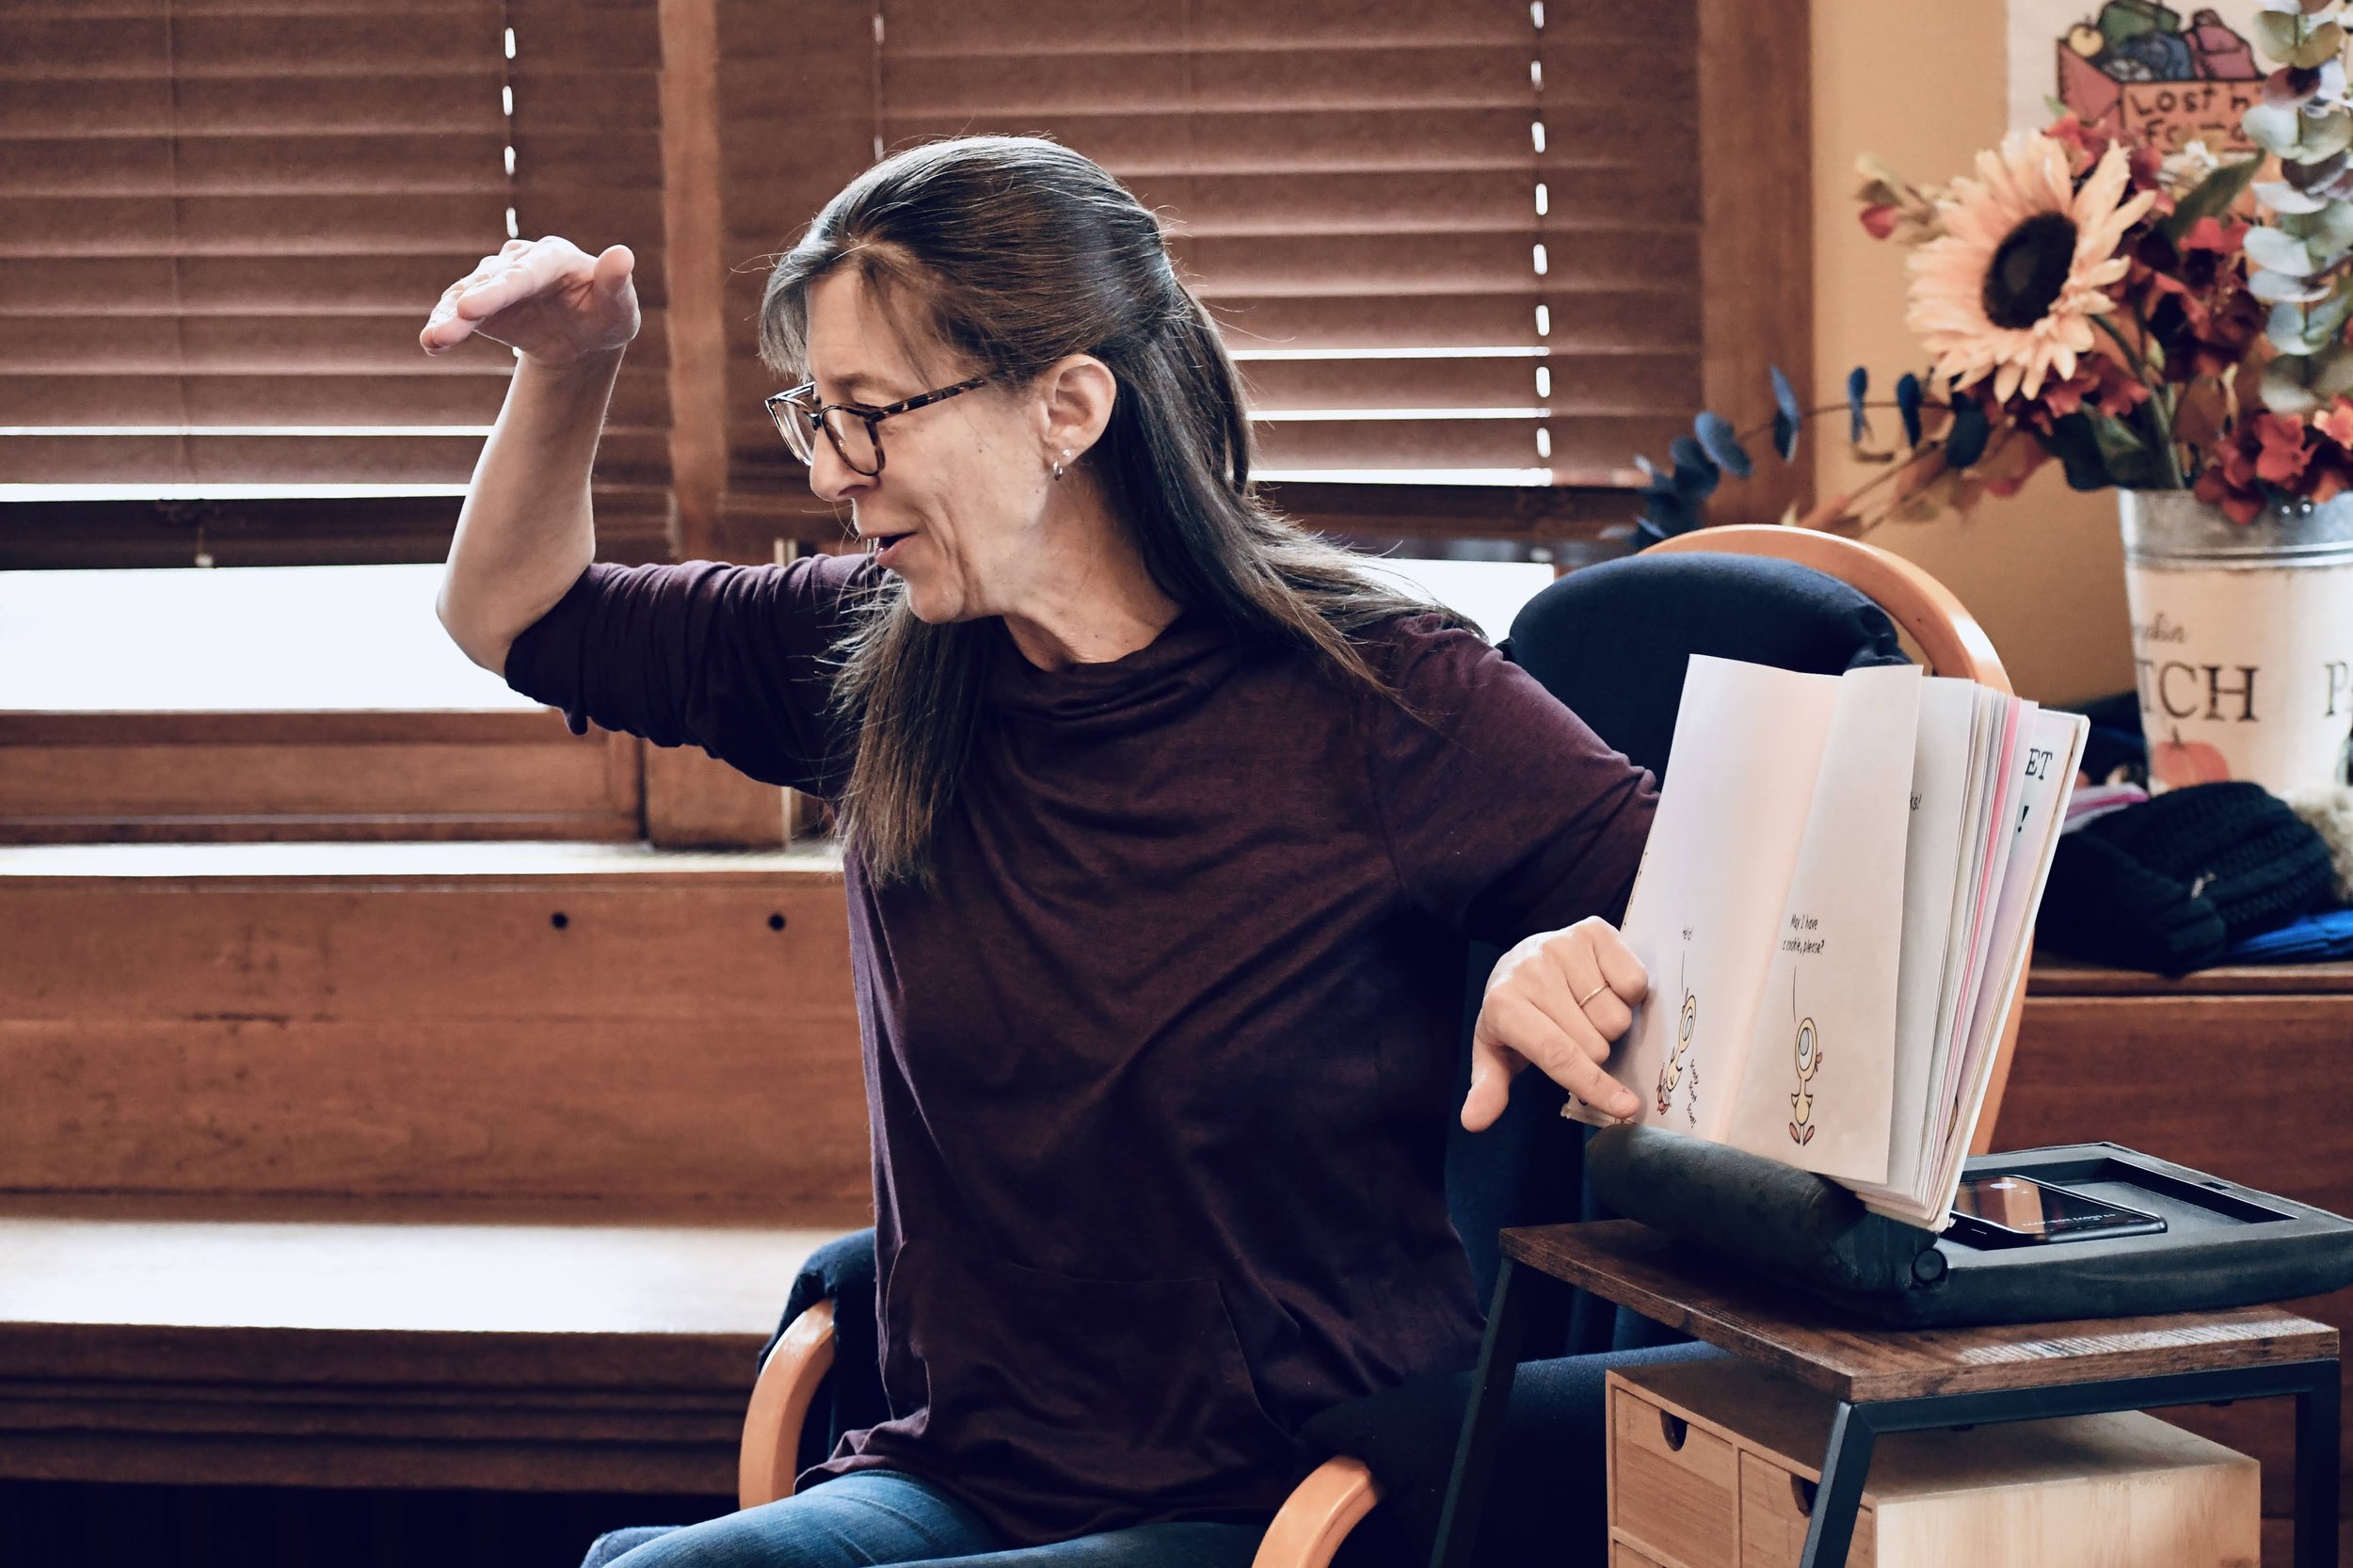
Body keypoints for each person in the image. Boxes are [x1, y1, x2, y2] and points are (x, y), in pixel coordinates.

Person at [424, 136, 1661, 1568]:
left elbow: (1752, 936)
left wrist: (1561, 963)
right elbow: (512, 613)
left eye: (868, 415)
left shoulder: (1381, 692)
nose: (830, 472)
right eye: (815, 415)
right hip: (960, 1470)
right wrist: (570, 366)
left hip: (1287, 1503)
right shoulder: (875, 651)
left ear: (1067, 407)